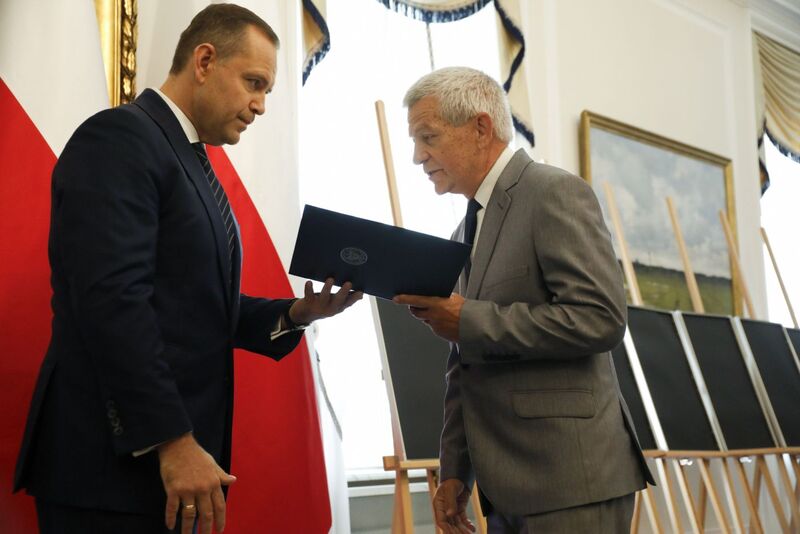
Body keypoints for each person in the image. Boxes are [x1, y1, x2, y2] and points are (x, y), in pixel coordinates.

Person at [13, 4, 362, 534]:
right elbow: (112, 301)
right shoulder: (121, 139)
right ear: (204, 61)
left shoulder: (185, 155)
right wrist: (173, 441)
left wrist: (296, 312)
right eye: (253, 82)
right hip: (109, 473)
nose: (261, 106)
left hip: (162, 476)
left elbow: (190, 307)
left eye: (266, 91)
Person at [394, 67, 654, 533]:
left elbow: (600, 319)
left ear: (480, 127)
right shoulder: (462, 231)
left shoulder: (554, 191)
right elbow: (464, 363)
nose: (417, 157)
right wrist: (454, 471)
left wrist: (469, 319)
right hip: (504, 487)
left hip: (573, 481)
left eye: (427, 137)